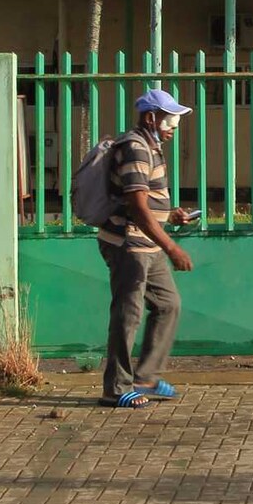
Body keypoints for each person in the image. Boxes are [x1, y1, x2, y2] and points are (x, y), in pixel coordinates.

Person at [100, 87, 199, 408]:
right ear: (151, 118)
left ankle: (145, 377)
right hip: (129, 243)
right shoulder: (135, 148)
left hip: (147, 244)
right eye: (171, 120)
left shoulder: (151, 147)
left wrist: (171, 214)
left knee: (168, 304)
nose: (175, 127)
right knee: (128, 314)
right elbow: (138, 207)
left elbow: (146, 202)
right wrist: (172, 247)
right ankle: (116, 388)